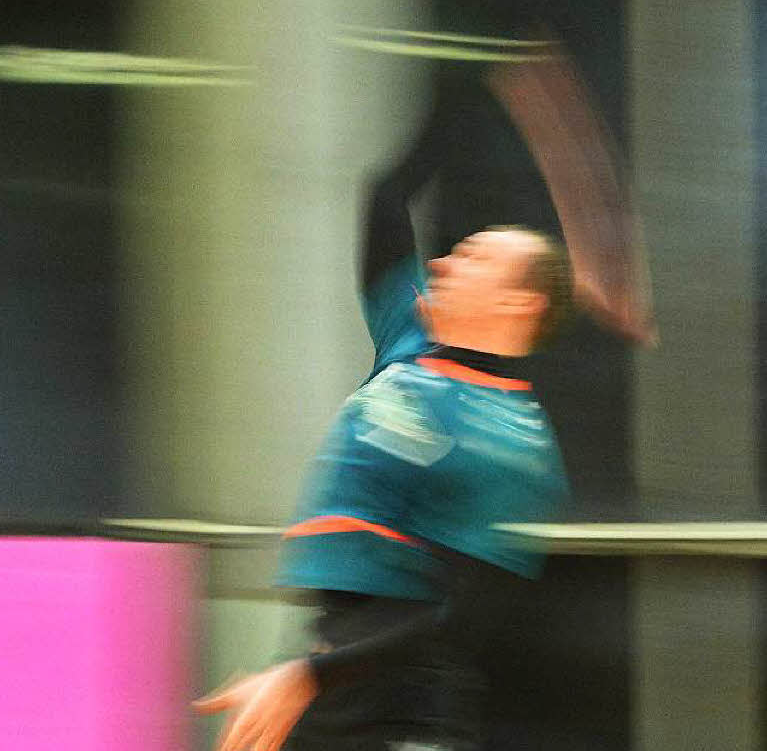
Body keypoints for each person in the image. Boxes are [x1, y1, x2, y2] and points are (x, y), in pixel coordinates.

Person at [194, 46, 652, 751]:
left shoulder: (511, 443)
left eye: (469, 258)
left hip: (400, 708)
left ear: (515, 300)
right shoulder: (409, 338)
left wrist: (311, 677)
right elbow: (384, 196)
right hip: (333, 667)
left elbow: (450, 614)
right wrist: (465, 87)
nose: (440, 262)